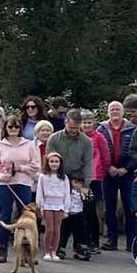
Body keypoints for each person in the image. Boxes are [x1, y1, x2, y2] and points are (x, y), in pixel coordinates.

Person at [0, 111, 41, 264]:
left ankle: (27, 253)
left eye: (16, 127)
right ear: (6, 128)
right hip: (5, 185)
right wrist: (0, 176)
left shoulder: (29, 144)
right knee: (4, 216)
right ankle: (2, 249)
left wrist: (19, 168)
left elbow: (36, 165)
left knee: (25, 217)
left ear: (20, 128)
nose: (13, 129)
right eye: (10, 127)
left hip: (23, 183)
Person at [48, 110, 95, 258]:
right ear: (65, 123)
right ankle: (59, 245)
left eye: (76, 128)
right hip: (59, 177)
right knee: (62, 214)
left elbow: (88, 164)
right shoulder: (54, 139)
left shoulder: (86, 141)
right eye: (71, 127)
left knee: (81, 215)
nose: (74, 130)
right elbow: (49, 161)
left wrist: (86, 186)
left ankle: (80, 245)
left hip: (77, 179)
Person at [94, 101, 137, 251]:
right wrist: (108, 167)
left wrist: (127, 168)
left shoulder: (133, 129)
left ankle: (131, 241)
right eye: (112, 109)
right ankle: (112, 239)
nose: (115, 112)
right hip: (108, 173)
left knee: (130, 207)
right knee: (109, 208)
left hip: (127, 173)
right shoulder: (101, 129)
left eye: (117, 109)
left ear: (123, 111)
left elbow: (136, 151)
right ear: (107, 112)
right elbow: (97, 151)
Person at [36, 150, 69, 262]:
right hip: (47, 205)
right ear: (47, 162)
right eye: (52, 161)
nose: (54, 164)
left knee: (57, 229)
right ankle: (47, 252)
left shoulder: (64, 177)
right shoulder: (43, 176)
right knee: (49, 229)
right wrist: (40, 205)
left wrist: (66, 208)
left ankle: (54, 251)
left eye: (56, 161)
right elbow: (40, 192)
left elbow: (67, 193)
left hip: (59, 205)